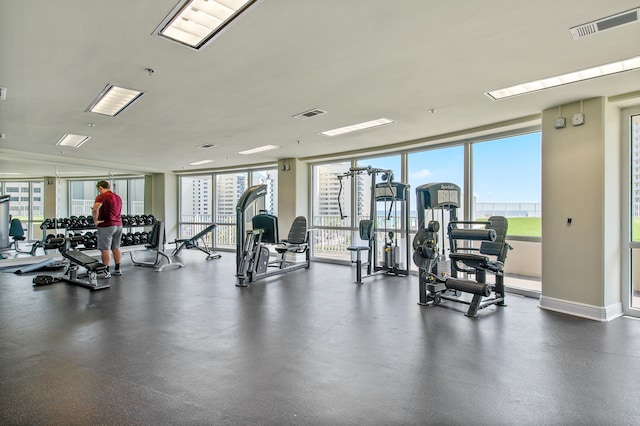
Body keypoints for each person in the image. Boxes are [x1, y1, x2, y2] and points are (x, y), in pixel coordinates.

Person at [92, 180, 123, 277]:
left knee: (105, 249)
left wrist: (96, 221)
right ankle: (118, 269)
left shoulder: (101, 196)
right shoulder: (118, 197)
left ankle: (106, 272)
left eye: (98, 189)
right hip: (118, 225)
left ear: (100, 187)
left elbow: (95, 209)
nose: (98, 191)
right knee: (116, 248)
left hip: (107, 225)